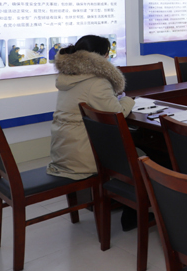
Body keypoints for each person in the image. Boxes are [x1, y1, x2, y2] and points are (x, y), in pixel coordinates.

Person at [46, 35, 137, 230]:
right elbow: (117, 114)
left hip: (63, 150)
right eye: (108, 54)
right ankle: (134, 212)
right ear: (101, 56)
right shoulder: (97, 82)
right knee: (140, 156)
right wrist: (128, 100)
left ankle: (125, 203)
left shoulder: (68, 76)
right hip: (82, 156)